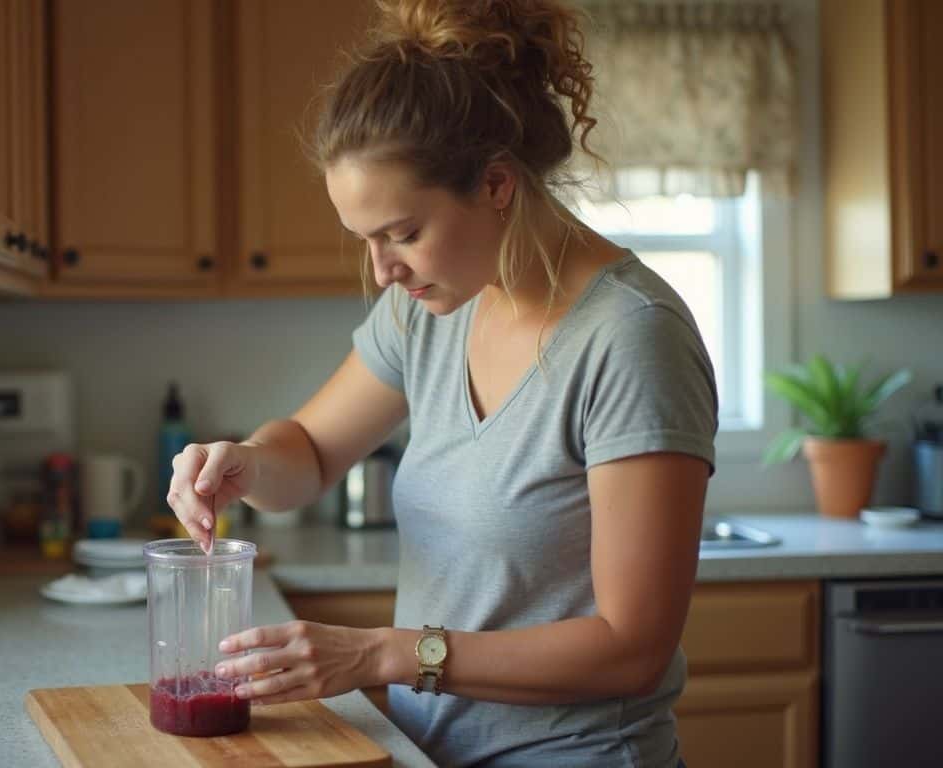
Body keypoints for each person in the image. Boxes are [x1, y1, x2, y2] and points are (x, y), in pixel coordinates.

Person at [166, 0, 717, 765]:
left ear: (496, 185)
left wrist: (384, 654)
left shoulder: (631, 338)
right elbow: (311, 454)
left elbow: (631, 650)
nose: (382, 271)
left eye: (403, 234)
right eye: (365, 240)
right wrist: (247, 463)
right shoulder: (430, 308)